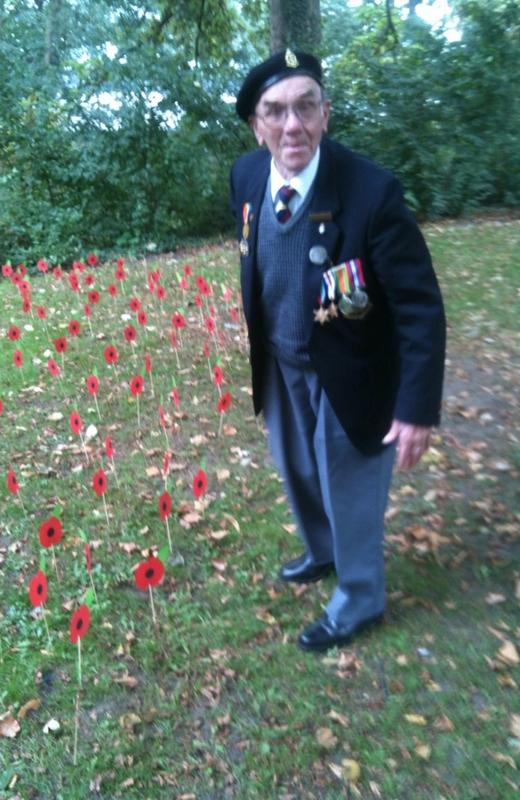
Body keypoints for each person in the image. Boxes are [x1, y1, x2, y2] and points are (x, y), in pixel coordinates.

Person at [230, 49, 446, 653]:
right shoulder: (246, 177)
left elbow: (420, 305)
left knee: (348, 485)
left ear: (325, 114)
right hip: (281, 361)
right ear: (257, 125)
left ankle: (360, 597)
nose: (291, 125)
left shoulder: (371, 192)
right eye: (275, 111)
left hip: (355, 369)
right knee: (300, 473)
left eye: (305, 107)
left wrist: (417, 407)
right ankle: (322, 551)